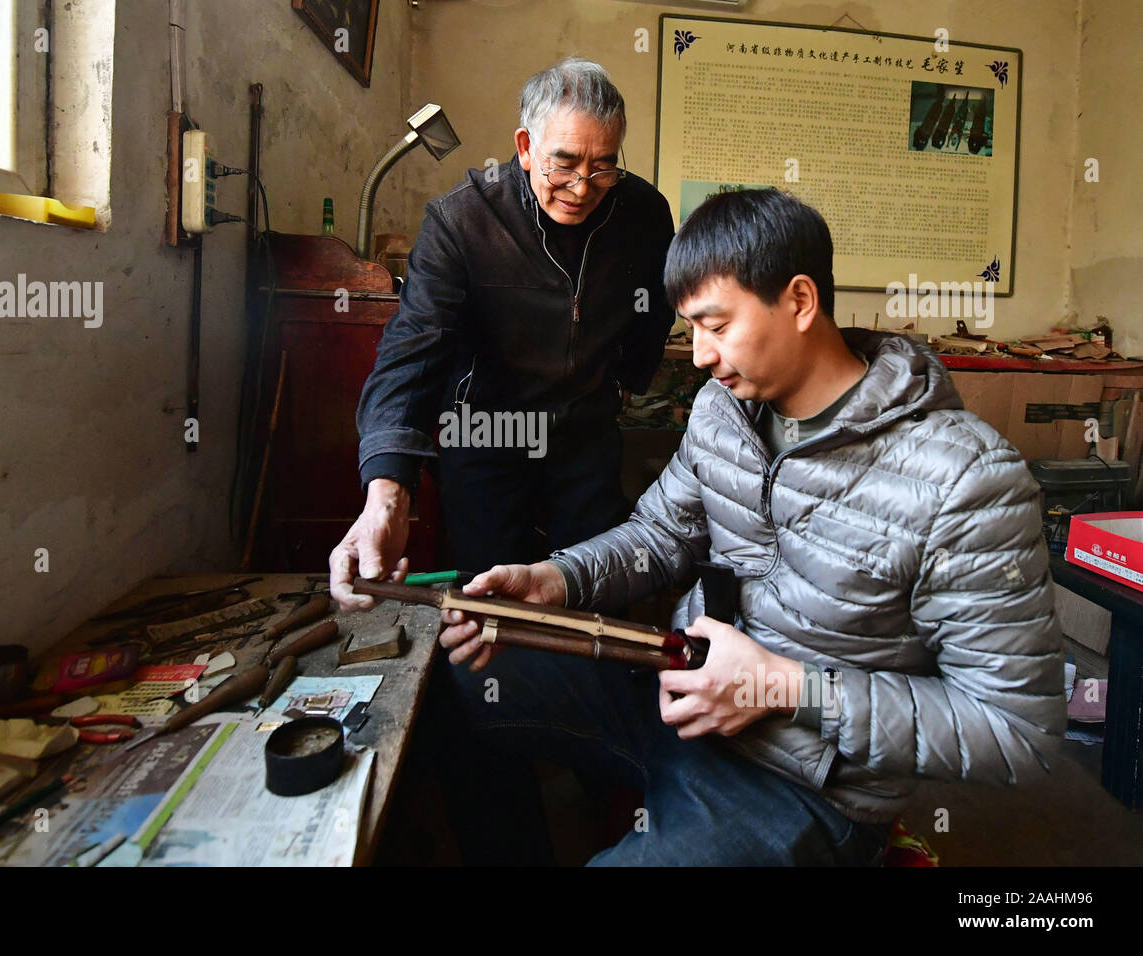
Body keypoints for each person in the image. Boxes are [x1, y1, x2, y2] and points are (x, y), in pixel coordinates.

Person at [435, 188, 1068, 865]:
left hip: (804, 784)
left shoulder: (963, 478)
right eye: (690, 329)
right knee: (447, 679)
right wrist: (556, 578)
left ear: (799, 301)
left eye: (716, 325)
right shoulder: (723, 410)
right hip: (679, 694)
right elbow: (660, 535)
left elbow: (1017, 733)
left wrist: (781, 687)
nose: (701, 356)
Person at [329, 58, 674, 609]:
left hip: (583, 431)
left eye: (604, 166)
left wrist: (629, 375)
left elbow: (655, 306)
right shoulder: (463, 221)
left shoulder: (644, 214)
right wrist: (387, 493)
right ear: (525, 146)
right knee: (491, 598)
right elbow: (412, 351)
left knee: (592, 593)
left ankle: (585, 693)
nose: (583, 187)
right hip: (488, 429)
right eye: (563, 163)